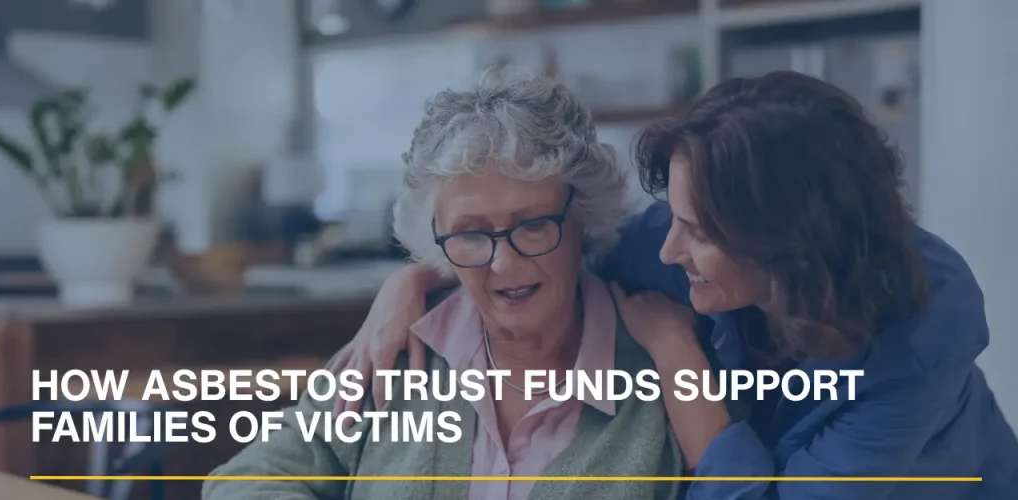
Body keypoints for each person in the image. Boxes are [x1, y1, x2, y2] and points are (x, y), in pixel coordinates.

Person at [330, 70, 1018, 499]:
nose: (666, 247)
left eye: (698, 232)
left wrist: (678, 357)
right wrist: (414, 280)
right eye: (673, 216)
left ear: (786, 247)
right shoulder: (670, 246)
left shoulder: (925, 331)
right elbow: (536, 253)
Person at [203, 68, 702, 500]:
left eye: (532, 225)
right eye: (469, 233)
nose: (504, 263)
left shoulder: (668, 379)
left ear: (584, 216)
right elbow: (245, 479)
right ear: (436, 239)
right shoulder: (393, 353)